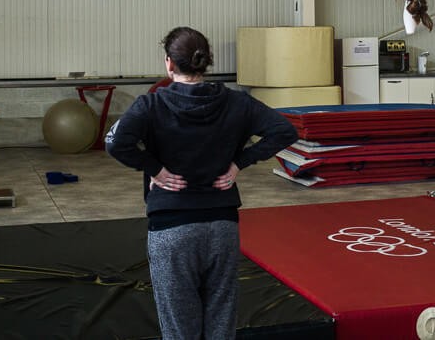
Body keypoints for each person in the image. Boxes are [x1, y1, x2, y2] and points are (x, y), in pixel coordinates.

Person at [105, 26, 298, 340]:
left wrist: (155, 170)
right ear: (207, 61)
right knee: (221, 324)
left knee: (180, 329)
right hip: (222, 226)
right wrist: (240, 163)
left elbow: (115, 142)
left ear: (169, 63)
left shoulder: (150, 105)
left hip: (172, 229)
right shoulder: (238, 103)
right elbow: (285, 131)